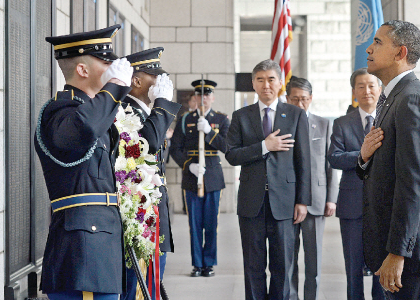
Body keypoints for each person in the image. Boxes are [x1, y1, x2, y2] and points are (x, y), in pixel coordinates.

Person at [356, 20, 420, 299]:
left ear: (400, 53)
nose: (369, 48)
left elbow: (415, 184)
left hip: (416, 251)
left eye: (378, 42)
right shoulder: (393, 97)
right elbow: (387, 168)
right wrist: (363, 159)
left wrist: (398, 252)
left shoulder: (413, 100)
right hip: (402, 244)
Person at [35, 25, 133, 299]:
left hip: (100, 248)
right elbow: (84, 128)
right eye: (106, 62)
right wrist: (115, 87)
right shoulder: (60, 112)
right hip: (82, 251)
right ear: (82, 70)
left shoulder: (93, 113)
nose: (113, 69)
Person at [225, 59, 311, 300]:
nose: (266, 85)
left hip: (285, 203)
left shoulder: (295, 115)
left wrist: (302, 200)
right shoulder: (241, 116)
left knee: (283, 266)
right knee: (253, 267)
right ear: (253, 83)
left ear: (281, 83)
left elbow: (304, 160)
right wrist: (264, 146)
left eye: (271, 79)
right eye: (260, 79)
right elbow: (231, 155)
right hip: (252, 203)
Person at [121, 47, 181, 300]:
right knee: (137, 289)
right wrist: (162, 105)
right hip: (139, 217)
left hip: (154, 214)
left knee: (152, 286)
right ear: (136, 81)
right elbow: (149, 144)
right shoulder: (126, 112)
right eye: (155, 78)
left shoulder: (146, 113)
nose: (161, 84)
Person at [328, 68, 385, 300]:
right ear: (354, 91)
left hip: (383, 205)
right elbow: (334, 157)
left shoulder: (388, 119)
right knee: (353, 268)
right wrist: (362, 155)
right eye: (361, 86)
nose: (367, 91)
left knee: (381, 268)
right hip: (352, 205)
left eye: (371, 85)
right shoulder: (342, 123)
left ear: (380, 90)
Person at [169, 79, 230, 278]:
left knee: (211, 223)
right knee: (194, 224)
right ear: (194, 98)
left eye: (207, 95)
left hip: (212, 176)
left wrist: (210, 132)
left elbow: (227, 146)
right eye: (199, 95)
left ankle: (209, 263)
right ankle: (197, 264)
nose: (203, 98)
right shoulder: (186, 120)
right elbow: (176, 149)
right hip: (191, 174)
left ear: (212, 98)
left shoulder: (221, 120)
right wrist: (189, 165)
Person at [285, 76, 337, 300]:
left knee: (313, 260)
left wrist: (331, 199)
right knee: (288, 260)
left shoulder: (323, 124)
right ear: (287, 99)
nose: (299, 104)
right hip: (286, 201)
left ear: (311, 99)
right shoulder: (281, 123)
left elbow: (330, 163)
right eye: (295, 99)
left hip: (317, 200)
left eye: (304, 99)